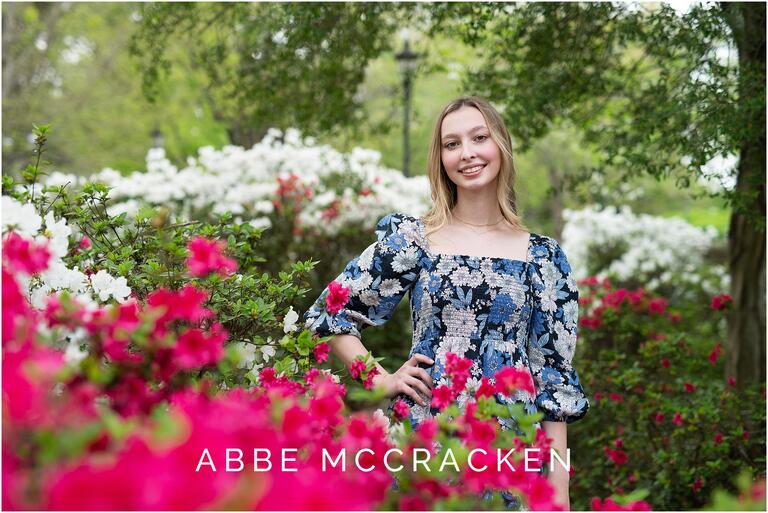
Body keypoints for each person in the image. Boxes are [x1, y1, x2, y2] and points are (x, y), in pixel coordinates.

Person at [303, 96, 589, 510]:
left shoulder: (543, 258)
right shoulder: (415, 240)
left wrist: (558, 489)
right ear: (440, 159)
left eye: (479, 138)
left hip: (511, 448)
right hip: (425, 439)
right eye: (452, 144)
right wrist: (379, 379)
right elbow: (330, 316)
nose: (467, 153)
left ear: (501, 147)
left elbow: (554, 382)